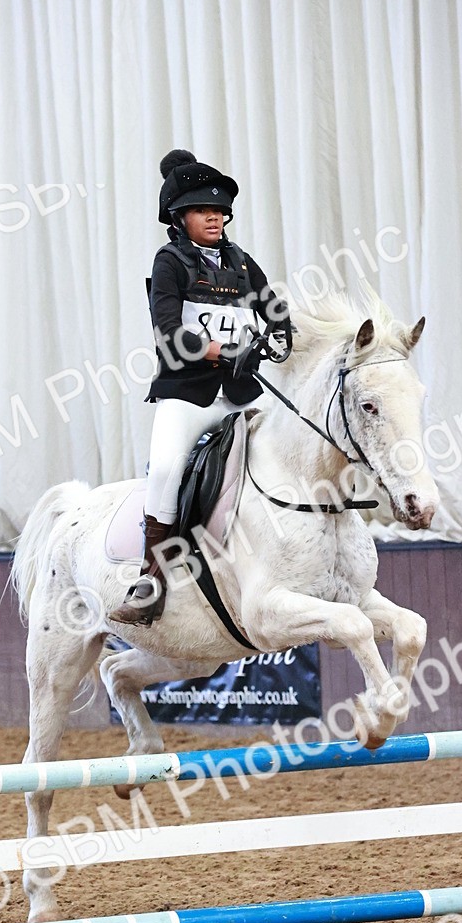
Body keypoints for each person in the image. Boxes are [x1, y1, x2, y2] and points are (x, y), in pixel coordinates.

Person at [108, 148, 290, 626]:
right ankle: (150, 583)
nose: (214, 217)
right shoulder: (169, 262)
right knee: (167, 469)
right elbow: (169, 334)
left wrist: (282, 332)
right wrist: (224, 352)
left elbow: (272, 307)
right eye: (202, 210)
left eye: (219, 210)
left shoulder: (241, 263)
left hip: (242, 393)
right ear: (179, 218)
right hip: (188, 394)